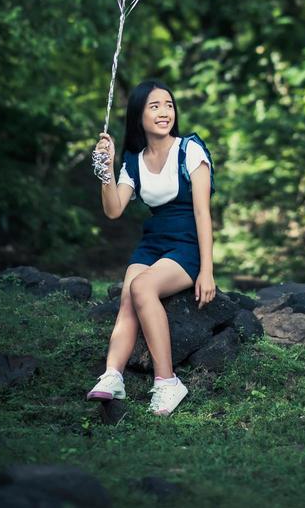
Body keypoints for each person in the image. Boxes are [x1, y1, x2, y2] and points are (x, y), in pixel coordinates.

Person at [86, 79, 216, 415]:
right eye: (154, 106)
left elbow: (203, 212)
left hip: (187, 243)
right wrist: (106, 169)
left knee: (142, 285)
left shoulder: (190, 150)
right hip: (153, 242)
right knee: (131, 293)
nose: (164, 112)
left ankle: (168, 382)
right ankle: (113, 375)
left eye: (169, 105)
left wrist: (207, 270)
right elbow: (114, 209)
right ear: (138, 116)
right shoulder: (134, 160)